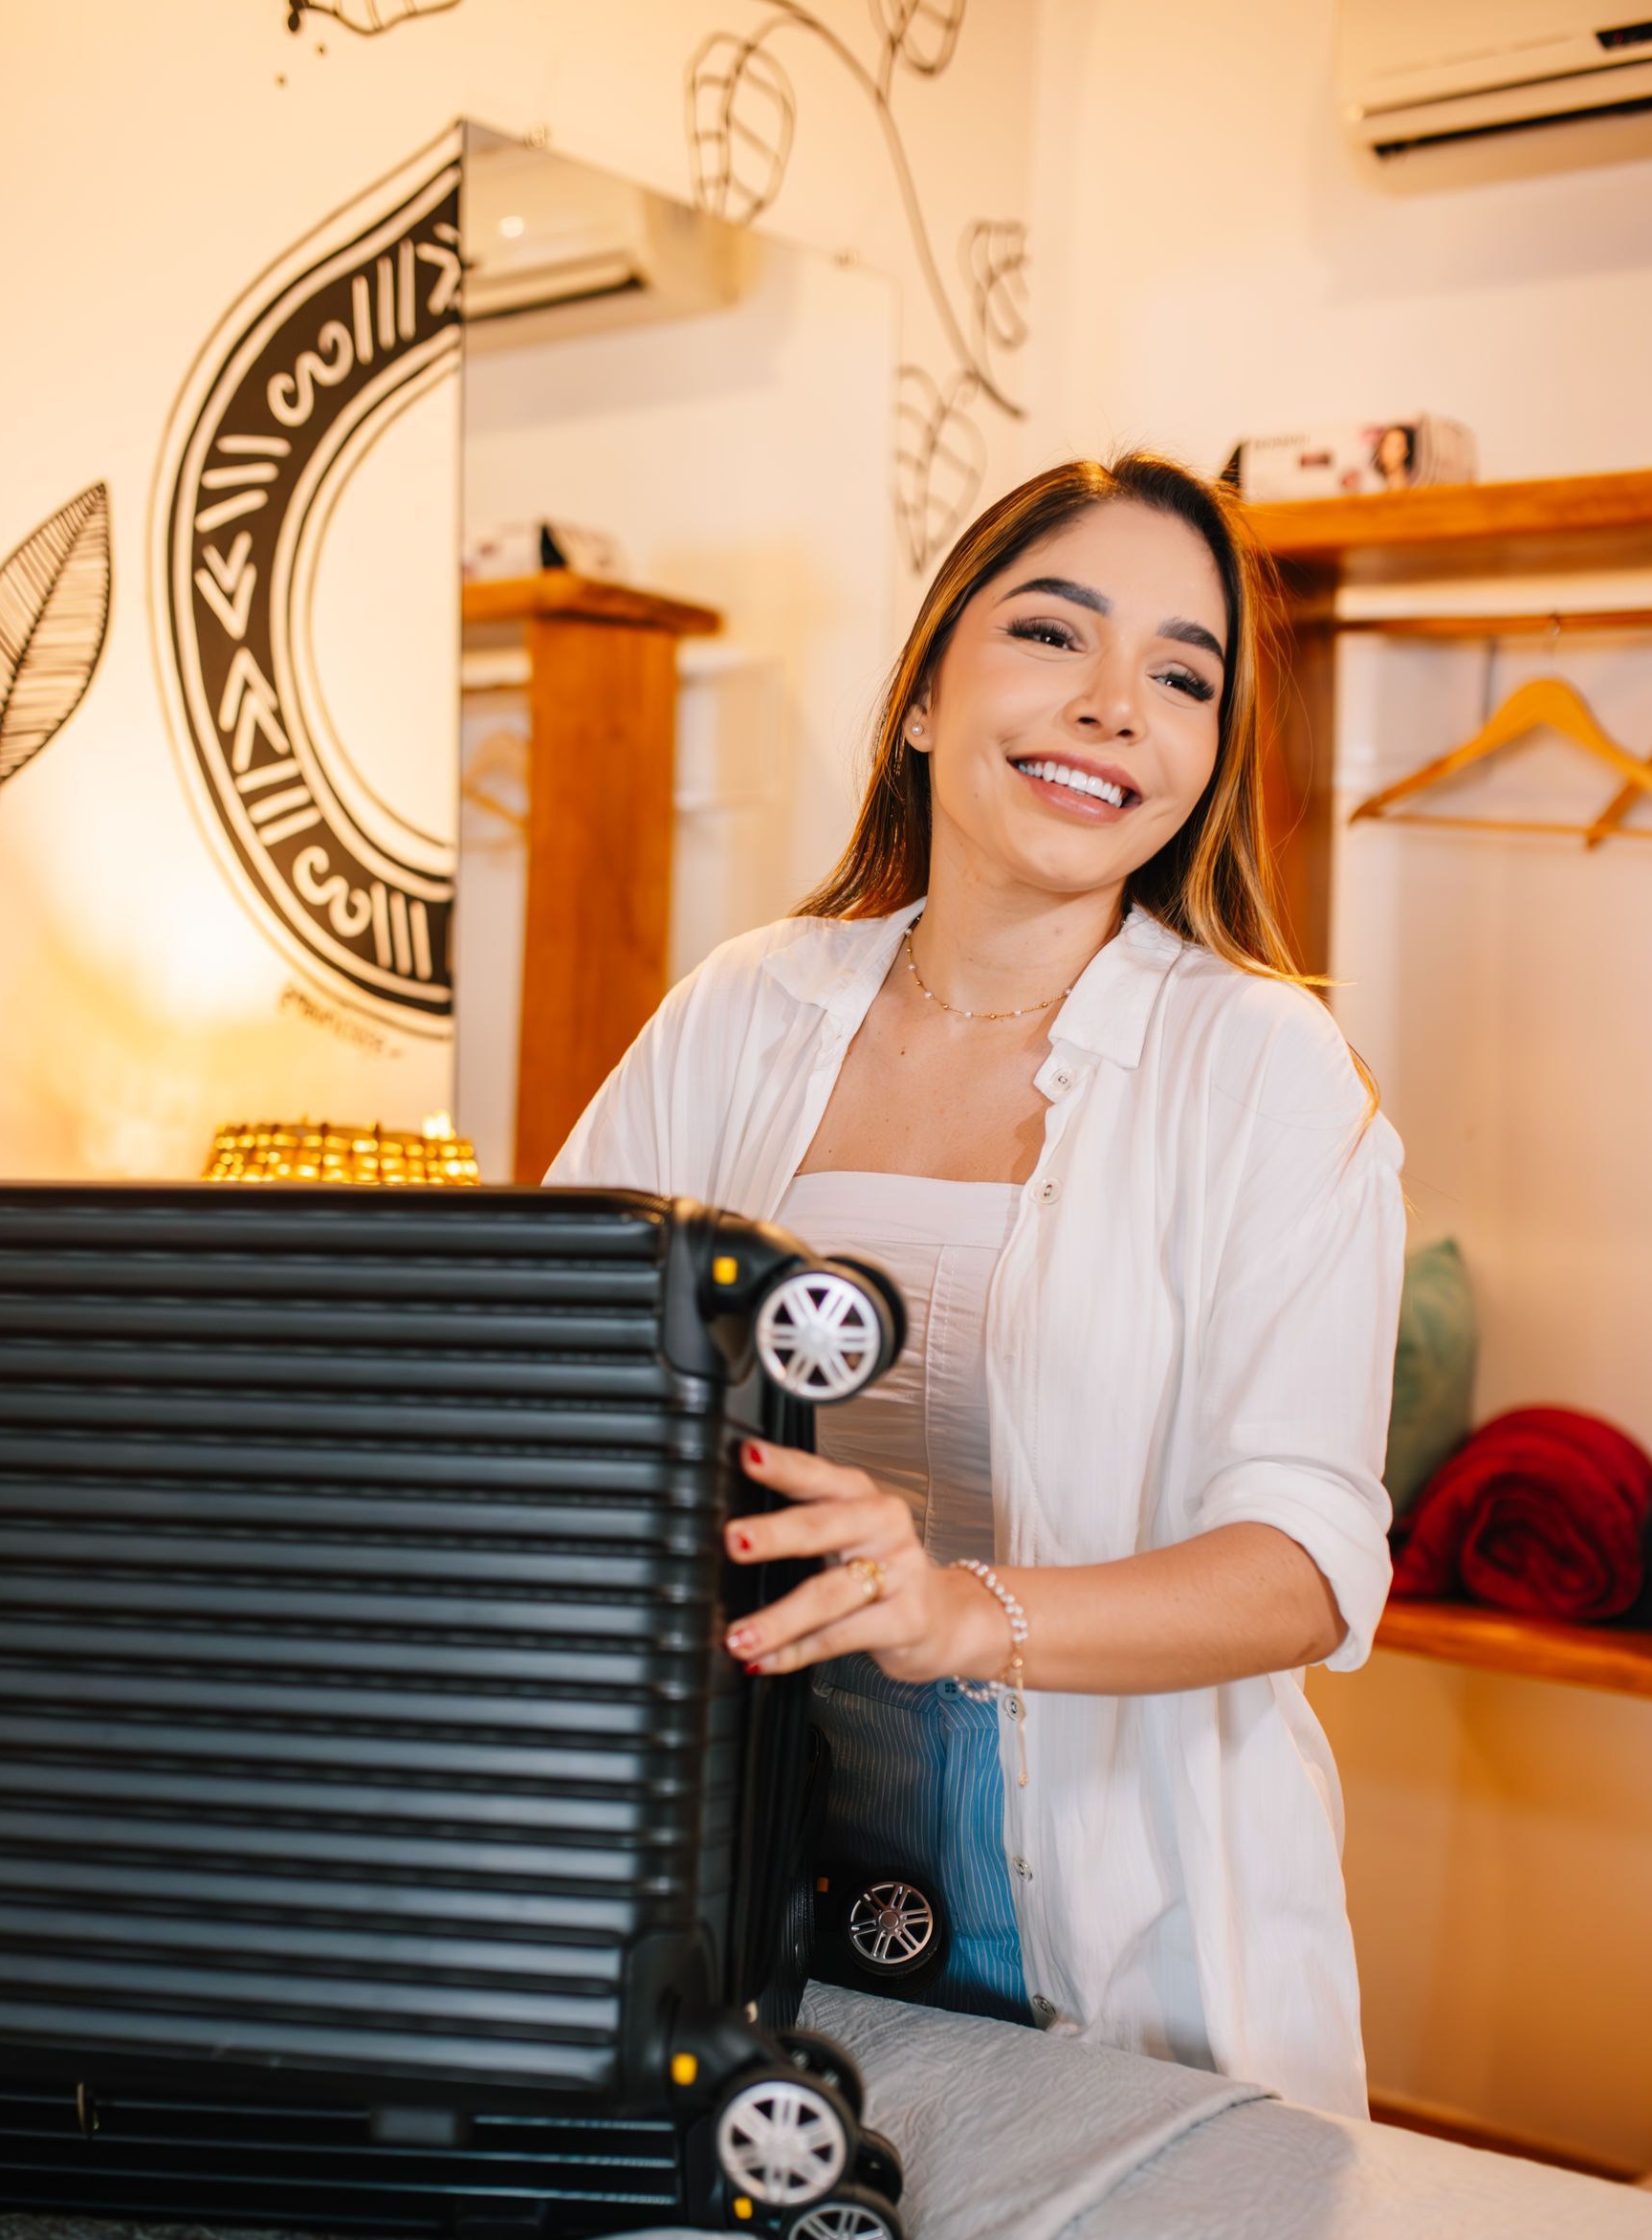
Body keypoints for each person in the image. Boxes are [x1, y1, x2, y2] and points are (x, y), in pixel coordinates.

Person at [547, 452, 1405, 2116]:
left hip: (1116, 1948)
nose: (1113, 708)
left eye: (1180, 675)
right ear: (928, 693)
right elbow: (551, 1386)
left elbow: (1306, 1564)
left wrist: (960, 1615)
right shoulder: (745, 1009)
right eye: (1051, 635)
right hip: (742, 1889)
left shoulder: (1265, 1068)